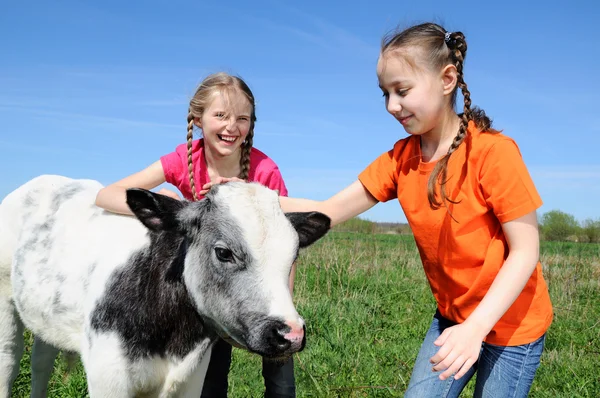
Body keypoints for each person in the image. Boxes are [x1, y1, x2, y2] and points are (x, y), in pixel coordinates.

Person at [271, 23, 552, 397]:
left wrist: (475, 329)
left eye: (402, 90)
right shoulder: (400, 159)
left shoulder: (494, 153)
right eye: (385, 93)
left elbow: (525, 251)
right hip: (453, 318)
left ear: (447, 79)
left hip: (514, 326)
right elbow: (328, 210)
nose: (391, 105)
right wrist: (246, 196)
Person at [95, 72, 297, 397]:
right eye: (221, 115)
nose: (232, 127)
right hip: (209, 292)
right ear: (198, 119)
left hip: (261, 291)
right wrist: (167, 204)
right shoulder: (183, 160)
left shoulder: (264, 172)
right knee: (208, 380)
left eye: (242, 118)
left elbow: (283, 243)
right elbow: (106, 195)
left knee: (280, 378)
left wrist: (284, 300)